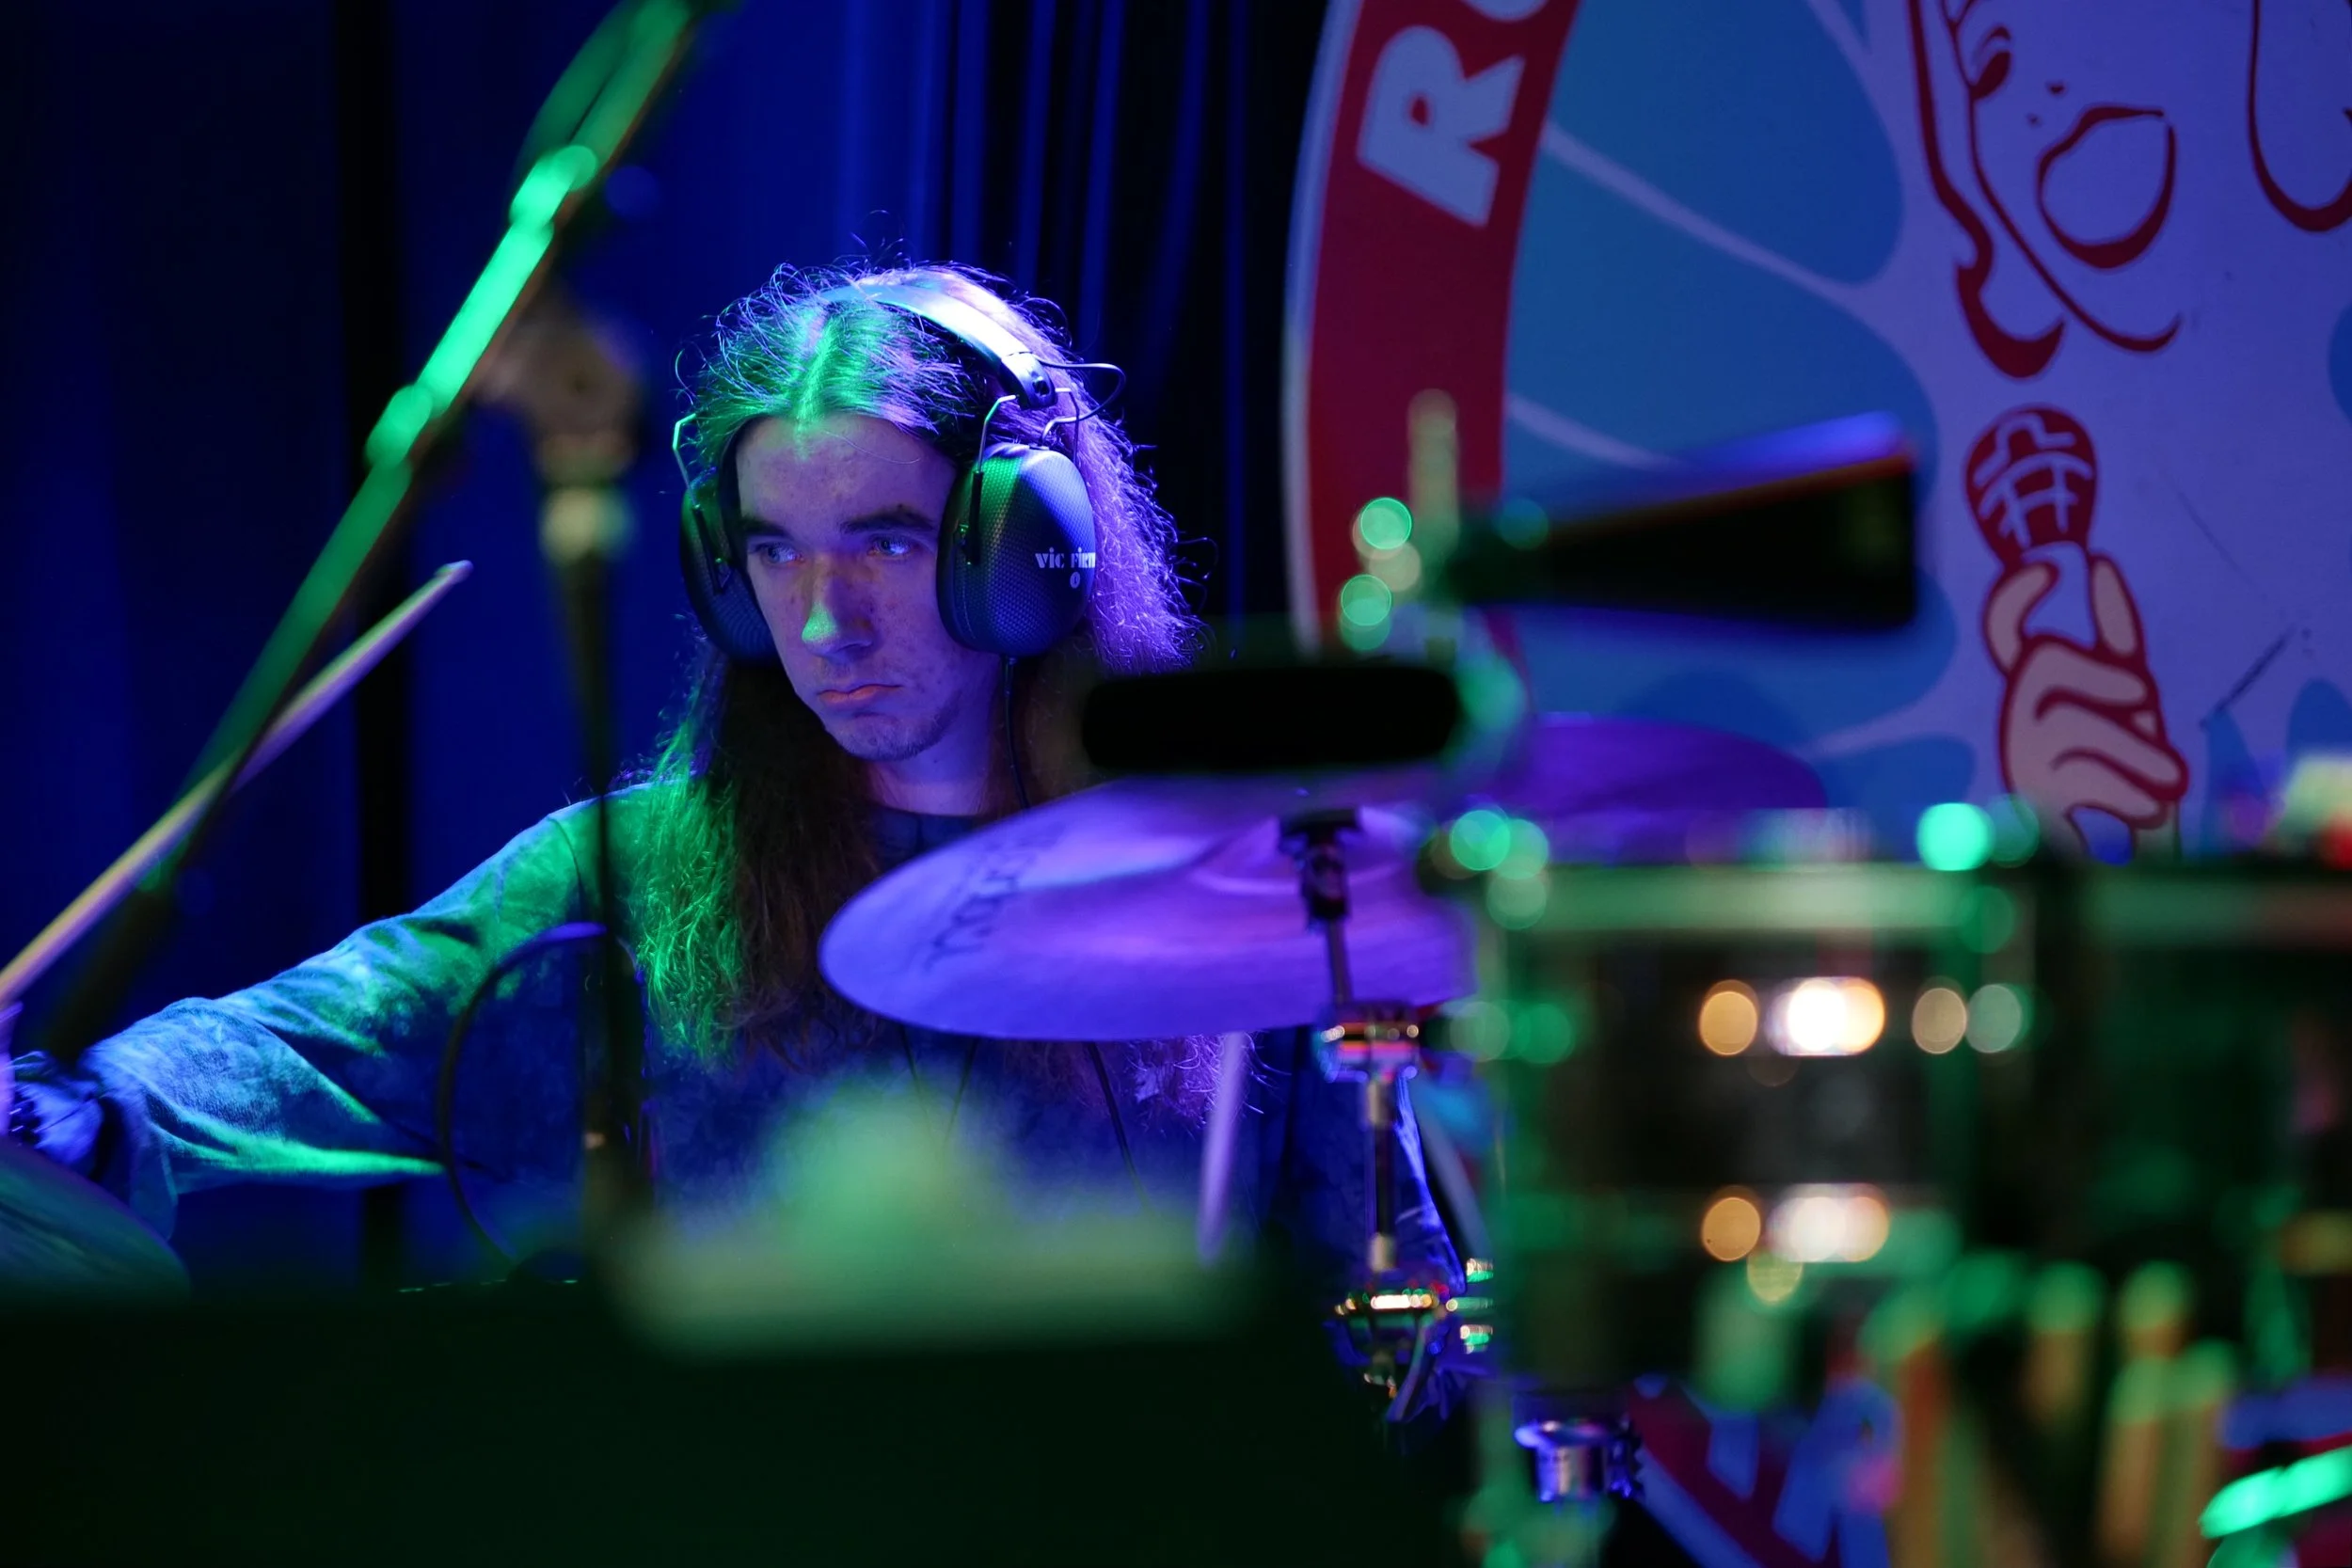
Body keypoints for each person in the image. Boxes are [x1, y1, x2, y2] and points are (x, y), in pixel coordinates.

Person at [5, 263, 1462, 1337]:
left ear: (1024, 550)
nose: (824, 618)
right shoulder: (640, 877)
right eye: (776, 551)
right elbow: (305, 1042)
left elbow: (1388, 1308)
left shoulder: (1245, 891)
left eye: (887, 542)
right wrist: (72, 1110)